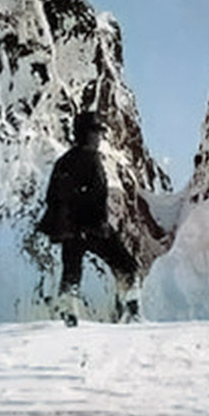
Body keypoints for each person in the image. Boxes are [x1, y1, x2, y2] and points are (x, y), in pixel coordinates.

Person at [38, 111, 140, 326]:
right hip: (92, 227)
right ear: (87, 134)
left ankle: (68, 316)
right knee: (127, 265)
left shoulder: (62, 162)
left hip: (68, 231)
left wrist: (62, 226)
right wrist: (98, 224)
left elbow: (51, 197)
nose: (99, 137)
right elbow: (97, 195)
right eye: (96, 132)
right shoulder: (91, 159)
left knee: (71, 274)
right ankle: (131, 310)